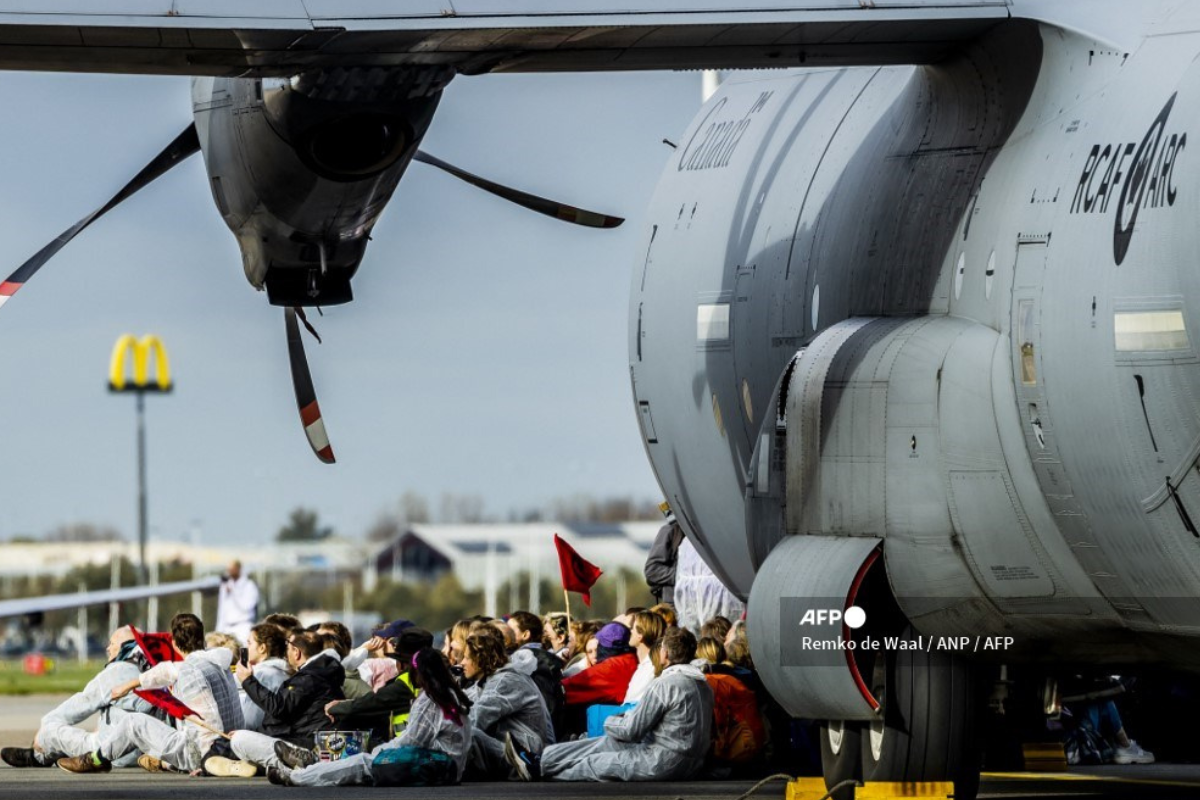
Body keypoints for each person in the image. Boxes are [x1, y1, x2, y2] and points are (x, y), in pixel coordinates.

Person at [506, 627, 713, 782]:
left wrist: (610, 721)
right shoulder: (703, 684)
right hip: (690, 762)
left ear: (665, 654)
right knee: (605, 744)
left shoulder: (666, 684)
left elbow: (632, 731)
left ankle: (538, 772)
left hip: (664, 761)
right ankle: (540, 760)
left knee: (594, 763)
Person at [57, 613, 245, 775]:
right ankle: (162, 762)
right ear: (202, 639)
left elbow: (172, 672)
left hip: (205, 753)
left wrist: (206, 761)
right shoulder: (219, 663)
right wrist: (130, 685)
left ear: (174, 643)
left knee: (133, 722)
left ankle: (96, 759)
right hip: (234, 744)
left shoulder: (189, 672)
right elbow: (168, 670)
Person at [268, 647, 474, 787]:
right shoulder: (452, 694)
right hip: (449, 768)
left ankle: (297, 777)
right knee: (368, 760)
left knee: (362, 762)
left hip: (436, 767)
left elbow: (413, 741)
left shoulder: (429, 699)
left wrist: (380, 750)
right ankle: (310, 768)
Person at [2, 626, 156, 768]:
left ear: (124, 646)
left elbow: (80, 705)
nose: (108, 648)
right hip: (145, 751)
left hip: (112, 754)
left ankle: (36, 756)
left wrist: (45, 727)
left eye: (112, 643)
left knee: (50, 729)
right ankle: (55, 753)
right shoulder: (156, 671)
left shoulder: (118, 671)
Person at [207, 630, 345, 777]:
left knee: (239, 739)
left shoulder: (308, 678)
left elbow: (278, 709)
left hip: (307, 745)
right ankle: (251, 764)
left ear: (296, 652)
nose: (285, 652)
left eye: (288, 646)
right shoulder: (321, 674)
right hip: (314, 741)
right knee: (242, 739)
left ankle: (263, 765)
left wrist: (247, 681)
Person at [461, 625, 554, 779]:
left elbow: (476, 719)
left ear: (480, 658)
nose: (462, 662)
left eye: (467, 657)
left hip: (526, 753)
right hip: (511, 747)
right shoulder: (489, 681)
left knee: (467, 731)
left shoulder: (505, 681)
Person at [324, 628, 433, 747]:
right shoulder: (432, 676)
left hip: (410, 747)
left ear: (402, 663)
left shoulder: (407, 683)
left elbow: (373, 703)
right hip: (420, 742)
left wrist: (335, 708)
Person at [237, 623, 292, 733]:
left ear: (262, 648)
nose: (246, 648)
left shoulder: (263, 674)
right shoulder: (283, 671)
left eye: (249, 643)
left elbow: (250, 719)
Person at [623, 610, 667, 704]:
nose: (630, 631)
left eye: (632, 628)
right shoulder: (650, 665)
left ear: (640, 635)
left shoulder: (649, 668)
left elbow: (631, 704)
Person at [216, 560, 259, 645]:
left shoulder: (249, 586)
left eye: (232, 569)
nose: (230, 572)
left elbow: (246, 606)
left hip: (243, 627)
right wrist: (218, 630)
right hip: (227, 628)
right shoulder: (226, 586)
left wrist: (233, 592)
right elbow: (222, 610)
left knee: (243, 655)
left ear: (238, 569)